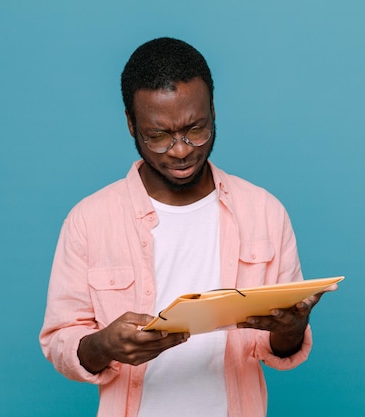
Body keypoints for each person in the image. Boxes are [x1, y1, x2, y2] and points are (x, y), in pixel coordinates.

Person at [40, 37, 336, 417]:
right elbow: (60, 341)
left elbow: (277, 349)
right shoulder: (89, 220)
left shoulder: (264, 211)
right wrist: (103, 346)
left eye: (196, 129)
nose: (181, 150)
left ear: (213, 112)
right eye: (159, 136)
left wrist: (292, 329)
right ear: (132, 125)